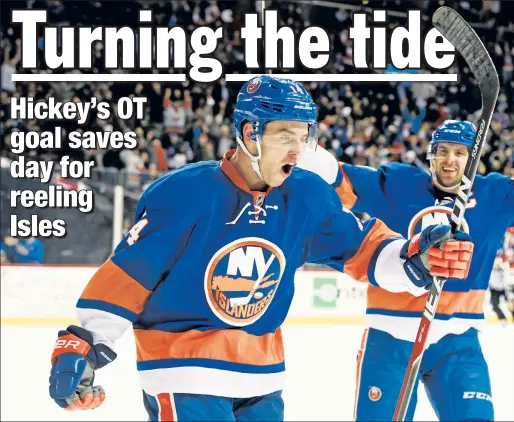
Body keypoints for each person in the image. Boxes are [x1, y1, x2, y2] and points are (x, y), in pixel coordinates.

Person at [48, 77, 474, 421]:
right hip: (183, 368)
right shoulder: (186, 193)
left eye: (304, 137)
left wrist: (414, 257)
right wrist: (85, 341)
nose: (298, 149)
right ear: (250, 133)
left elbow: (360, 248)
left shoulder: (306, 195)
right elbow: (130, 273)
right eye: (285, 135)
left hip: (262, 376)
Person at [298, 120, 514, 421]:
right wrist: (298, 145)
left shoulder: (497, 194)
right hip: (391, 335)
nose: (450, 159)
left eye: (460, 153)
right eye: (442, 151)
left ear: (472, 157)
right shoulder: (398, 185)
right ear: (431, 156)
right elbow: (340, 178)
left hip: (459, 337)